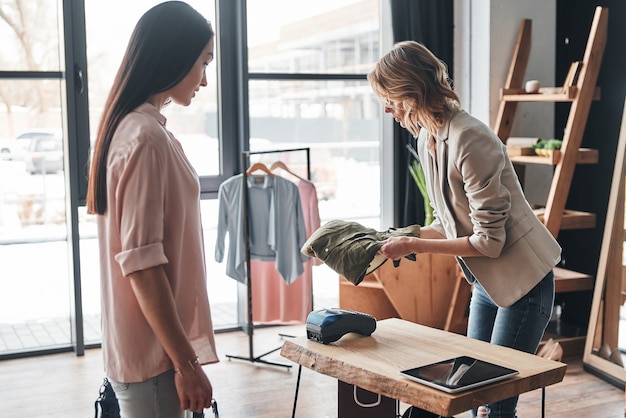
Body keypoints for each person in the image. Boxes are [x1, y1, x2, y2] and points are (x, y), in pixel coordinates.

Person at [368, 41, 562, 418]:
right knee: (470, 395)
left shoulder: (469, 137)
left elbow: (490, 242)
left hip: (524, 283)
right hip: (487, 285)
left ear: (413, 89)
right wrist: (401, 239)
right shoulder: (428, 138)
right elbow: (447, 221)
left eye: (390, 97)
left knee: (494, 406)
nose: (387, 108)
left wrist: (414, 245)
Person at [86, 2, 218, 417]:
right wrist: (187, 364)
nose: (205, 79)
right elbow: (142, 264)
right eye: (203, 63)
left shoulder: (136, 128)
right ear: (175, 56)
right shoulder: (145, 138)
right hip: (155, 358)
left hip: (146, 351)